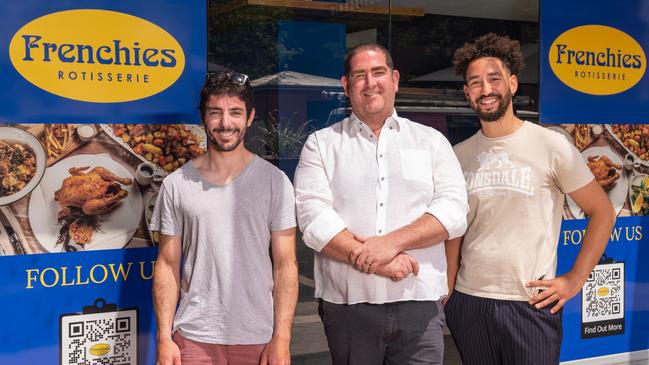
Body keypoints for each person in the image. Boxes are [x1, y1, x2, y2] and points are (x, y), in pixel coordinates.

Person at [445, 33, 616, 365]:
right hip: (469, 302)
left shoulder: (550, 145)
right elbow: (456, 230)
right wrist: (448, 290)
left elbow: (602, 212)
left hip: (531, 303)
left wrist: (574, 279)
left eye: (494, 79)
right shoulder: (457, 156)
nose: (485, 89)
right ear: (467, 93)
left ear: (512, 84)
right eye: (475, 83)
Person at [294, 44, 469, 365]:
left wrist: (390, 244)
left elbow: (455, 211)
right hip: (348, 308)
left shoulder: (431, 142)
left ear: (395, 79)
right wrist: (381, 262)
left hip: (419, 304)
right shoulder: (321, 144)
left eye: (378, 73)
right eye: (359, 75)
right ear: (346, 86)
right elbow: (313, 218)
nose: (370, 82)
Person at [151, 71, 298, 365]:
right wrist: (164, 338)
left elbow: (286, 265)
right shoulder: (176, 184)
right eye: (216, 113)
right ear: (203, 117)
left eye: (235, 113)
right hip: (194, 337)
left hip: (259, 337)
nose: (225, 123)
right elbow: (167, 264)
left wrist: (282, 338)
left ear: (250, 117)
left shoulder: (275, 182)